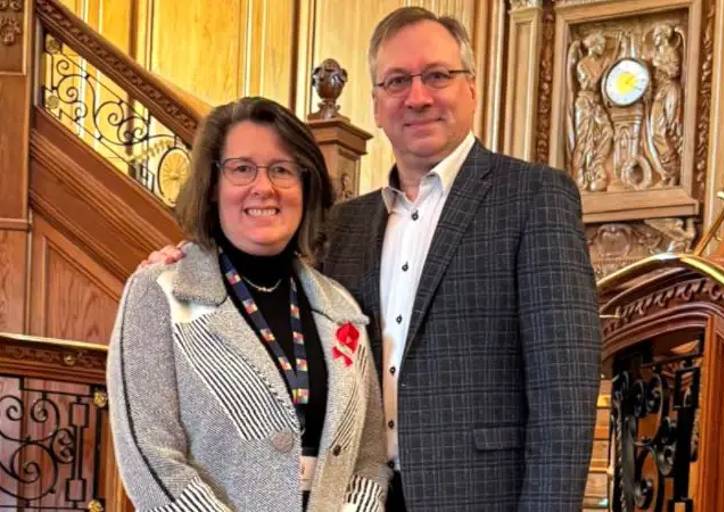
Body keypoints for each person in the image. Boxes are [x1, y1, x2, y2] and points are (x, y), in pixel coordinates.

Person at [146, 7, 602, 511]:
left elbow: (563, 396)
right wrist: (191, 260)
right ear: (377, 103)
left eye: (437, 75)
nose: (418, 96)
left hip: (479, 496)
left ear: (471, 88)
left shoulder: (533, 197)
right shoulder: (344, 224)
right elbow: (262, 285)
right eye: (397, 81)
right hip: (354, 497)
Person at [108, 97, 390, 512]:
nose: (264, 187)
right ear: (212, 185)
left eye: (282, 169)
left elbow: (367, 460)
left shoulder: (341, 306)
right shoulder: (161, 289)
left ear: (306, 186)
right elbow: (150, 457)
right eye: (242, 168)